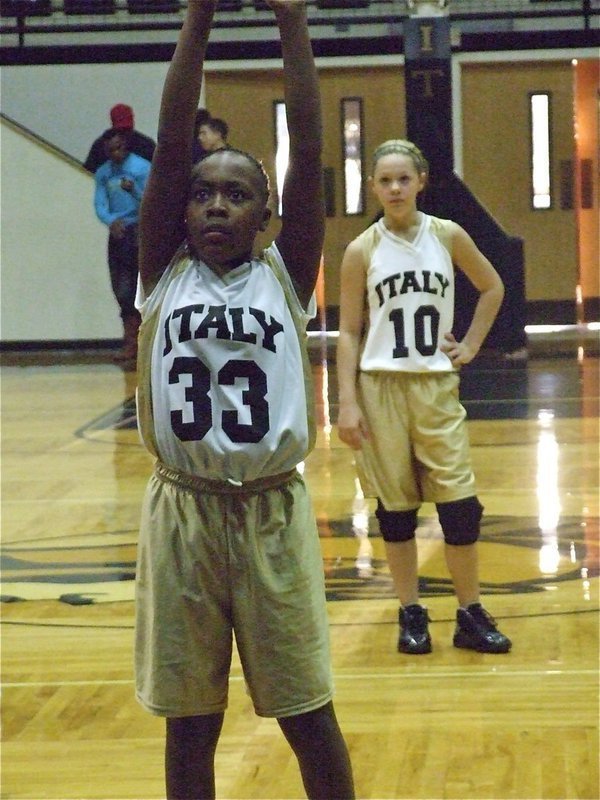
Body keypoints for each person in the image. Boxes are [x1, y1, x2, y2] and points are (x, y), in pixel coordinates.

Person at [134, 2, 355, 799]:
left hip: (270, 510)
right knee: (190, 722)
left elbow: (312, 147)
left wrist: (291, 19)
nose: (218, 206)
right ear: (181, 213)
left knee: (307, 713)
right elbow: (167, 150)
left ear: (268, 216)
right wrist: (199, 15)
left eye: (236, 196)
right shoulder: (163, 272)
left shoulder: (285, 276)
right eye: (204, 196)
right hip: (184, 510)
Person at [337, 138, 512, 656]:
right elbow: (348, 331)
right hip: (379, 386)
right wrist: (346, 401)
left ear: (420, 182)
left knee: (460, 507)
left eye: (403, 179)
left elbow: (492, 286)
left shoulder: (447, 235)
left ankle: (469, 612)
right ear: (373, 186)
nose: (394, 188)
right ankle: (411, 611)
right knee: (396, 510)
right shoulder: (361, 249)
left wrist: (473, 343)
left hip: (435, 385)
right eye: (385, 180)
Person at [93, 130, 150, 363]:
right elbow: (99, 203)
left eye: (118, 148)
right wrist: (110, 221)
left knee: (139, 287)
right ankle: (129, 341)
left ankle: (143, 343)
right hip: (118, 232)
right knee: (121, 288)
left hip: (139, 231)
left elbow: (151, 200)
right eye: (110, 151)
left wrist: (134, 190)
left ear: (125, 146)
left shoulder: (142, 167)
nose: (114, 154)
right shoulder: (104, 172)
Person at [83, 103, 155, 174]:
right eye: (120, 130)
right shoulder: (100, 146)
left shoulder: (147, 147)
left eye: (127, 129)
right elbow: (87, 175)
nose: (124, 134)